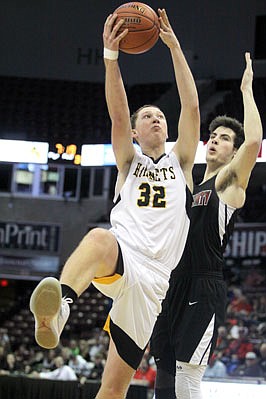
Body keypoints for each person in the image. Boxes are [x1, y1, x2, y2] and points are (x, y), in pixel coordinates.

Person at [29, 8, 200, 399]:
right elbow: (118, 115)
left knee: (112, 390)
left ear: (167, 129)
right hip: (124, 254)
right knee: (99, 239)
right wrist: (111, 58)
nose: (156, 119)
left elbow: (191, 108)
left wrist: (173, 46)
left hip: (154, 281)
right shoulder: (128, 161)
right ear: (137, 133)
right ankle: (60, 309)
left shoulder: (183, 162)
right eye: (148, 117)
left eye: (159, 116)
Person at [150, 51, 262, 399]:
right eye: (213, 135)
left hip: (204, 286)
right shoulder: (192, 184)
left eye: (225, 138)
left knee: (188, 377)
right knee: (164, 375)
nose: (215, 139)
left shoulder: (229, 186)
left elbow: (255, 142)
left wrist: (246, 91)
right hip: (174, 285)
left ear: (233, 153)